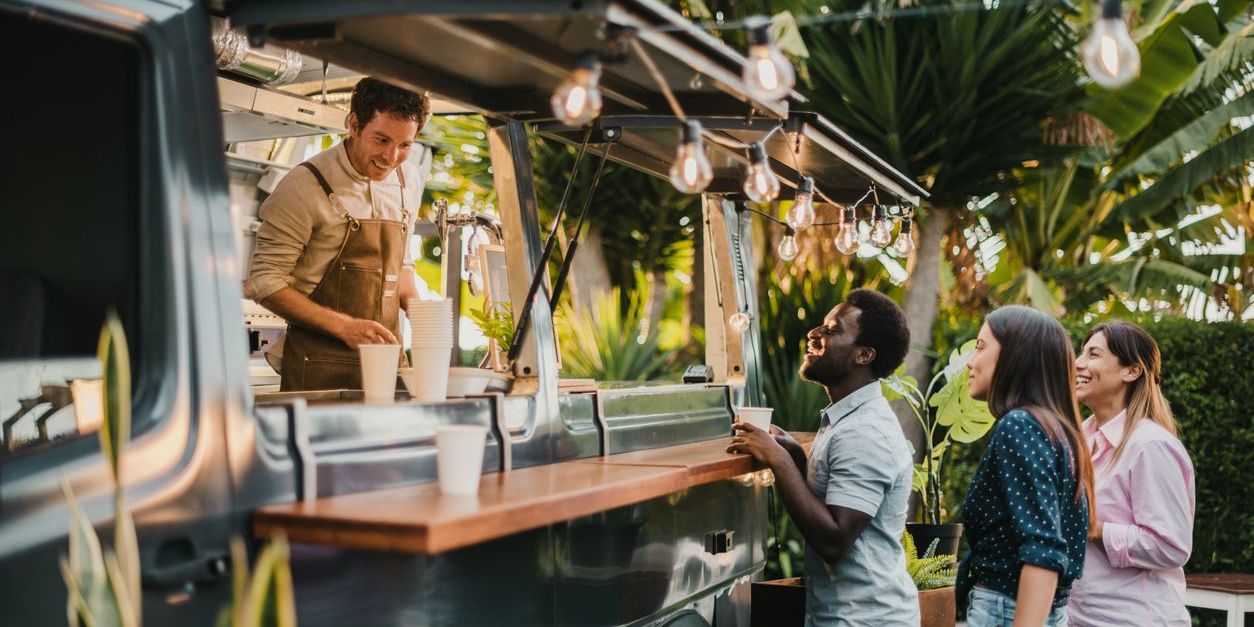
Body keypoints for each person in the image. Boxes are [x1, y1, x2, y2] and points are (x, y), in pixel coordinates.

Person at [727, 288, 919, 626]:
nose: (814, 334)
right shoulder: (845, 420)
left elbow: (834, 539)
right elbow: (830, 506)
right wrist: (795, 457)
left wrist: (780, 461)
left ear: (864, 355)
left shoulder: (865, 432)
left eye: (832, 330)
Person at [244, 77, 431, 391]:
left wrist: (419, 313)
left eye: (405, 145)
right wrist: (344, 327)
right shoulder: (305, 185)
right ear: (354, 125)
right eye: (382, 140)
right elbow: (265, 281)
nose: (391, 157)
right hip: (316, 370)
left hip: (386, 368)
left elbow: (400, 264)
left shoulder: (407, 181)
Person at [957, 306, 1094, 627]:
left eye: (980, 347)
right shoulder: (1058, 430)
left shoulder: (1020, 426)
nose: (970, 362)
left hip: (1006, 610)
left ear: (1014, 356)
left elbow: (1044, 551)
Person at [1067, 321, 1194, 626]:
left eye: (1093, 354)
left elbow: (1172, 545)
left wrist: (1095, 529)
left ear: (1131, 370)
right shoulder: (1078, 439)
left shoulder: (1150, 446)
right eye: (1080, 353)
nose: (1078, 363)